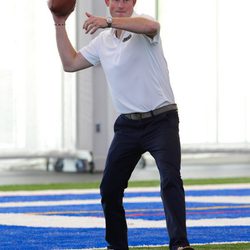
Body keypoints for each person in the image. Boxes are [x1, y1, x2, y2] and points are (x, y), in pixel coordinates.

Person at [49, 0, 194, 249]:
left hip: (162, 120)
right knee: (109, 189)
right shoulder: (103, 42)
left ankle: (179, 244)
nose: (120, 3)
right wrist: (59, 23)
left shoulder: (143, 27)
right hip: (128, 126)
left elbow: (151, 25)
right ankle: (116, 246)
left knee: (170, 179)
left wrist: (106, 21)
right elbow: (70, 63)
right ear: (107, 1)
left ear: (134, 1)